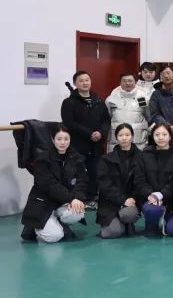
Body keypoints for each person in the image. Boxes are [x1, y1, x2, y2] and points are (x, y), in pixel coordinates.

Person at [21, 125, 88, 243]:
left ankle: (58, 223)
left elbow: (82, 181)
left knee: (78, 212)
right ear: (53, 140)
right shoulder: (42, 159)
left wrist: (78, 198)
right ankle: (34, 226)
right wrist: (71, 199)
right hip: (44, 203)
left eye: (66, 139)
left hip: (63, 202)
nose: (63, 142)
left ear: (70, 139)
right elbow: (50, 185)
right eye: (59, 139)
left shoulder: (77, 158)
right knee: (54, 237)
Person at [60, 70, 110, 205]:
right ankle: (78, 198)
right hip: (78, 144)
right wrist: (89, 133)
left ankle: (93, 197)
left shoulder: (98, 101)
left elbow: (106, 120)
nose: (85, 83)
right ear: (75, 83)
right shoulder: (69, 102)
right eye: (81, 81)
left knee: (95, 171)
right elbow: (69, 122)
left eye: (87, 80)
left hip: (96, 144)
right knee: (78, 172)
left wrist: (101, 132)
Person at [134, 122, 173, 236]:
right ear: (153, 136)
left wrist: (161, 195)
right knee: (151, 224)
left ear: (170, 137)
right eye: (157, 134)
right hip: (151, 199)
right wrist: (151, 195)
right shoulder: (145, 154)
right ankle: (152, 223)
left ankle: (171, 219)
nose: (161, 137)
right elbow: (139, 180)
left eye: (164, 134)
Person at [97, 124, 145, 239]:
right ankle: (120, 224)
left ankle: (127, 222)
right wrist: (123, 199)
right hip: (111, 203)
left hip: (132, 201)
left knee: (128, 214)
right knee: (110, 233)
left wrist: (132, 198)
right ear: (116, 137)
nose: (124, 138)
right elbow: (105, 185)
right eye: (120, 135)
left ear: (132, 136)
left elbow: (141, 182)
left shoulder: (142, 158)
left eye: (127, 135)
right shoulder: (106, 159)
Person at [105, 71, 151, 150]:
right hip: (117, 141)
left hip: (138, 140)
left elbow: (148, 116)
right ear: (120, 82)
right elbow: (107, 118)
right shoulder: (112, 98)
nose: (127, 83)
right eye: (124, 81)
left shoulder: (142, 98)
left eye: (130, 81)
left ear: (135, 82)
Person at [148, 65, 173, 134]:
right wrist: (167, 126)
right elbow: (154, 114)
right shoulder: (156, 94)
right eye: (163, 74)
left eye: (168, 73)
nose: (166, 76)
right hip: (163, 131)